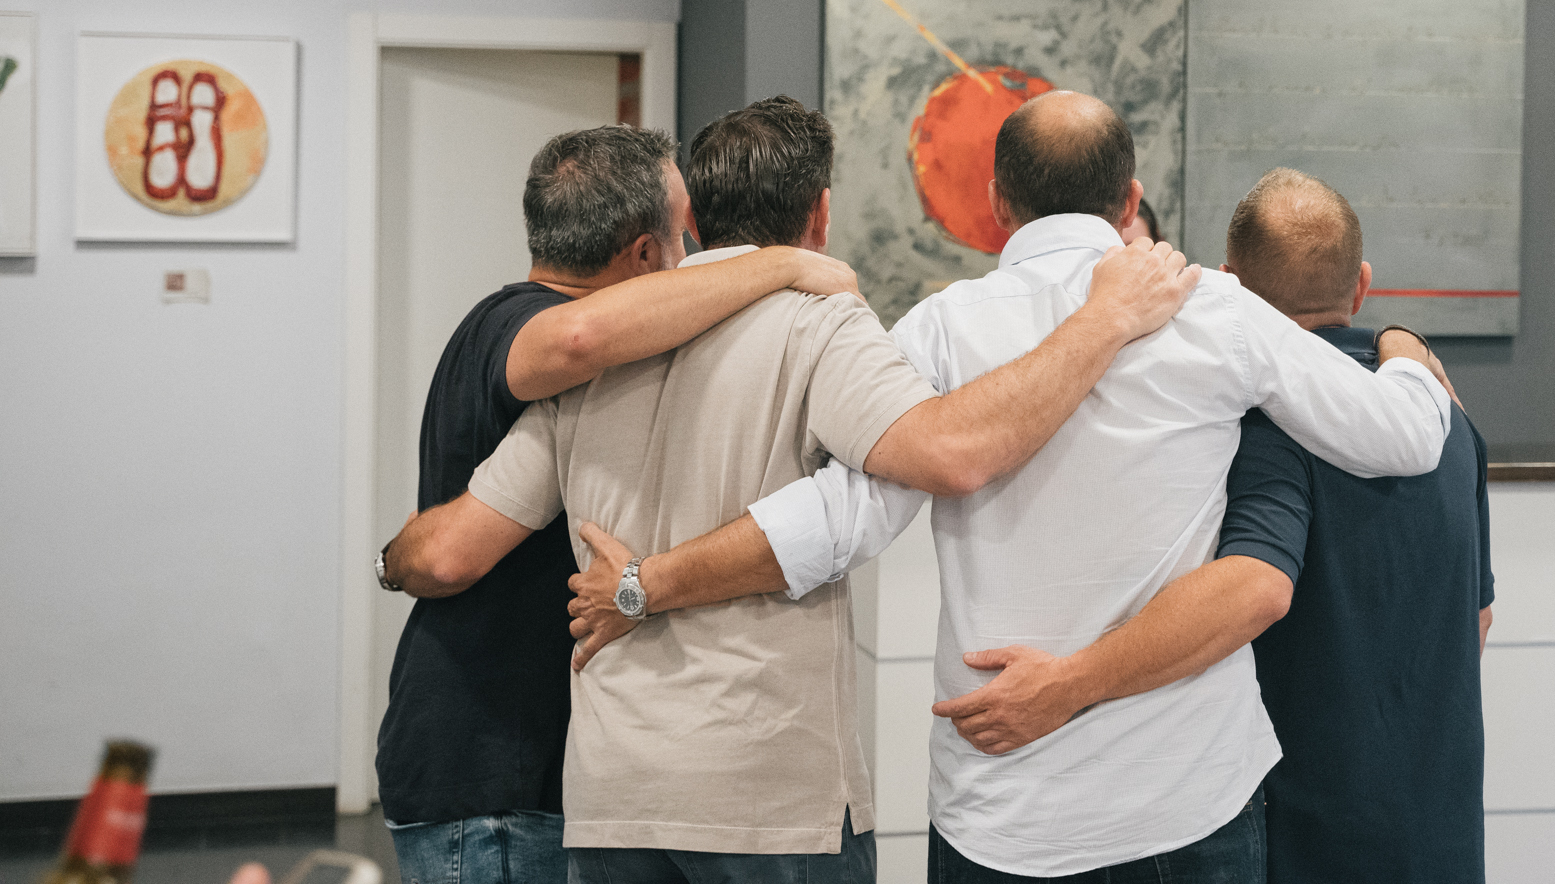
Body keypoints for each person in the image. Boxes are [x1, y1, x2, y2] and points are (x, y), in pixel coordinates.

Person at [384, 96, 1200, 883]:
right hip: (765, 790)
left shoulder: (601, 357)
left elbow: (457, 540)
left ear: (695, 219)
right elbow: (951, 453)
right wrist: (1105, 320)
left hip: (613, 795)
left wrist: (389, 561)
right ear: (821, 213)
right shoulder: (820, 324)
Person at [724, 92, 1454, 882]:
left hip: (1006, 808)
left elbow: (842, 521)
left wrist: (660, 578)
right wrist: (1404, 346)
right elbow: (1407, 437)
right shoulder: (1215, 311)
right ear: (1130, 200)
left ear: (998, 203)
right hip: (1190, 800)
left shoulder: (939, 330)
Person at [936, 168, 1496, 884]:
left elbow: (1256, 588)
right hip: (1439, 821)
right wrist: (1401, 341)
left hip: (1309, 825)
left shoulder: (1264, 429)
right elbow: (1476, 620)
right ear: (1360, 286)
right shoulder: (1450, 419)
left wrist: (1068, 683)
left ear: (1231, 285)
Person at [372, 124, 862, 884]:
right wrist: (784, 262)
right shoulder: (522, 326)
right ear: (641, 255)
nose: (688, 257)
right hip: (491, 763)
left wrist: (392, 556)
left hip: (513, 762)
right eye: (681, 240)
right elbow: (445, 554)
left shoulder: (558, 346)